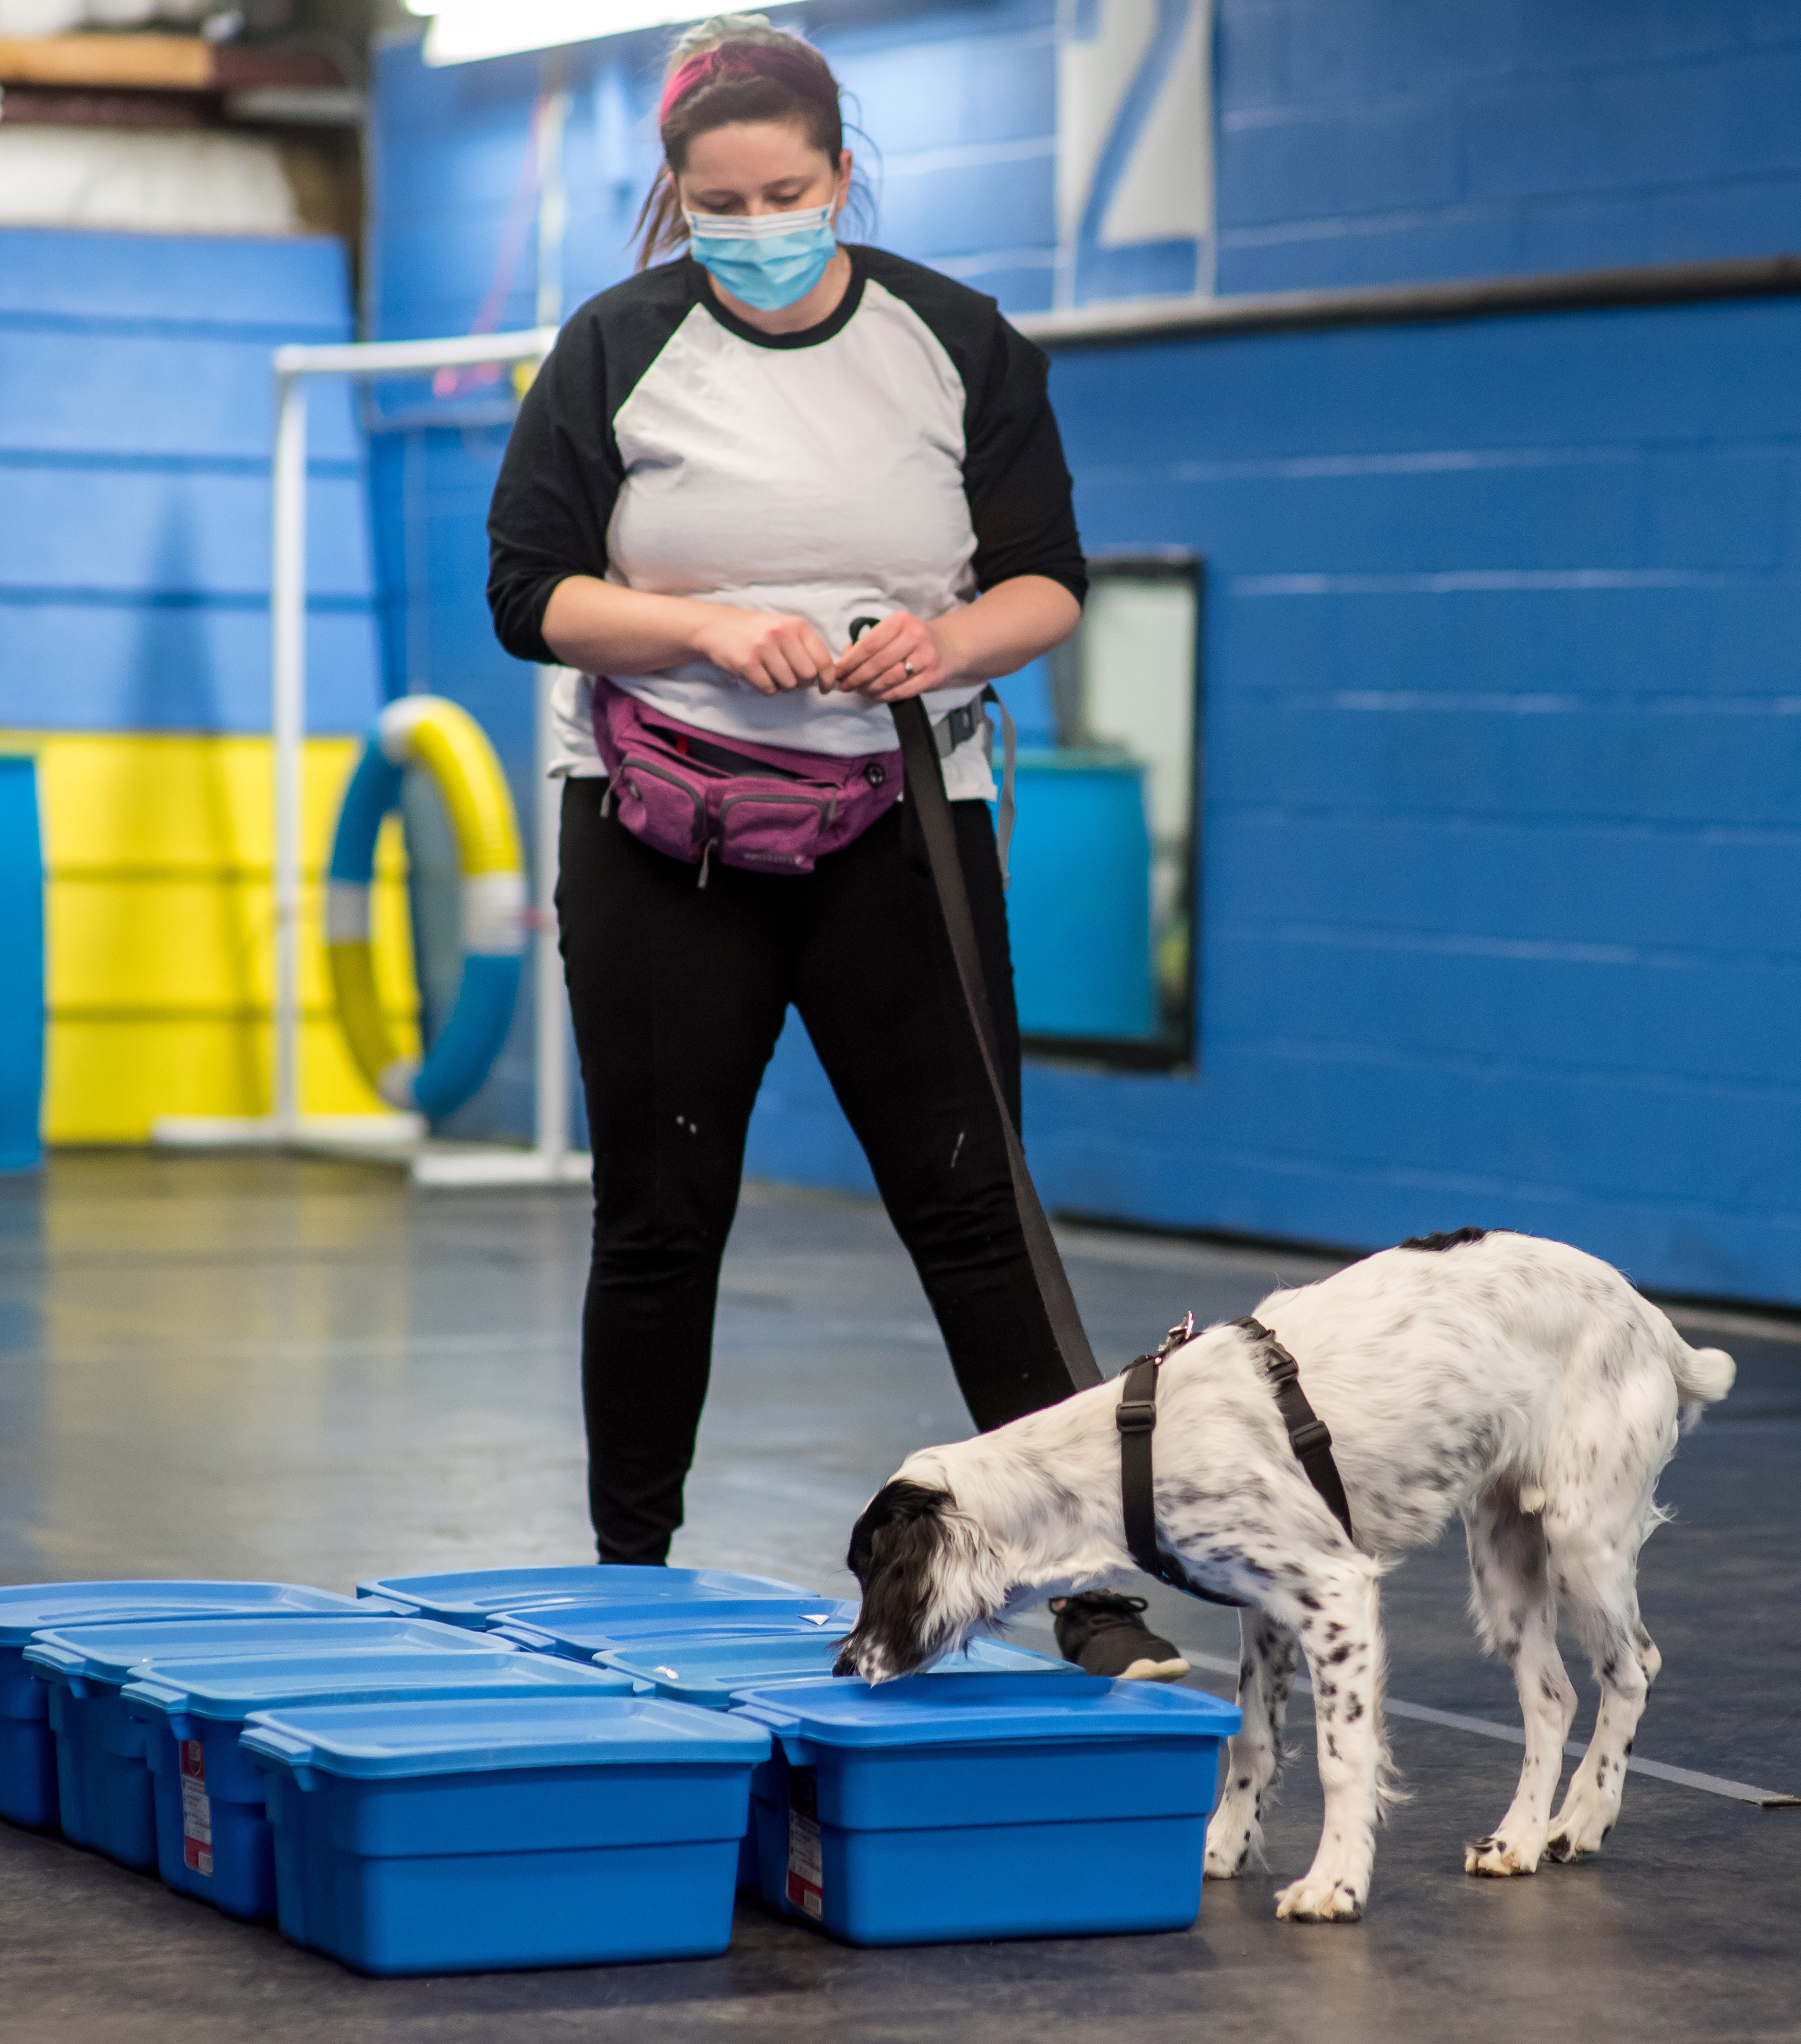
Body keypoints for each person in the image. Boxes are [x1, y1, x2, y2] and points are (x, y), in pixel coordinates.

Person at [484, 15, 1182, 1681]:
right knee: (660, 1216)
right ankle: (629, 1579)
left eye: (784, 191)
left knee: (974, 1205)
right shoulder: (613, 348)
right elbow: (532, 597)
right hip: (662, 835)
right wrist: (703, 632)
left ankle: (1094, 1592)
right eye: (716, 203)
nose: (752, 223)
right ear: (677, 199)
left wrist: (946, 648)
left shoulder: (956, 341)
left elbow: (1046, 578)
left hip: (901, 830)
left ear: (841, 175)